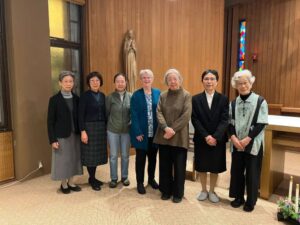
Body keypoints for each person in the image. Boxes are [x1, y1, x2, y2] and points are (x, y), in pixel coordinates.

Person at [228, 69, 268, 212]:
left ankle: (250, 201)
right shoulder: (233, 103)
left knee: (252, 172)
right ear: (236, 85)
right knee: (237, 171)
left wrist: (247, 139)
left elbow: (261, 123)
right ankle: (238, 197)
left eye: (245, 83)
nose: (243, 86)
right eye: (239, 84)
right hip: (236, 143)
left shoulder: (260, 101)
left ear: (251, 83)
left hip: (253, 143)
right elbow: (229, 123)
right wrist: (233, 138)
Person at [154, 68, 192, 203]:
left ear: (180, 80)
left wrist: (172, 130)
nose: (172, 81)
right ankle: (166, 190)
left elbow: (186, 115)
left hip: (179, 137)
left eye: (175, 79)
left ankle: (178, 193)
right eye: (169, 79)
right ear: (166, 82)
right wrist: (165, 128)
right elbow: (158, 112)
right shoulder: (163, 95)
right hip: (164, 137)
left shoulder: (186, 95)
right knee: (164, 166)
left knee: (179, 167)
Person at [192, 69, 229, 203]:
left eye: (212, 79)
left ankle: (212, 190)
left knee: (215, 166)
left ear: (217, 81)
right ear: (202, 81)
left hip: (217, 139)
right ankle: (203, 190)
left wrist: (215, 136)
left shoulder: (223, 98)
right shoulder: (195, 99)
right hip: (202, 138)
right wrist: (206, 136)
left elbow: (225, 120)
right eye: (206, 79)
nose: (209, 81)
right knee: (202, 165)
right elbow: (195, 119)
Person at [47, 71, 83, 194]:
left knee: (74, 159)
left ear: (73, 83)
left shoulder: (77, 99)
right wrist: (52, 139)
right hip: (61, 135)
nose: (68, 84)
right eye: (66, 81)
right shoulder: (54, 100)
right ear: (60, 83)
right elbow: (50, 121)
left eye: (71, 81)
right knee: (63, 160)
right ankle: (63, 184)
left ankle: (71, 182)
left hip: (75, 134)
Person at [130, 69, 161, 195]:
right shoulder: (136, 95)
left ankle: (151, 179)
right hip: (141, 134)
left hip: (154, 134)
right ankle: (139, 182)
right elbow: (134, 115)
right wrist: (137, 132)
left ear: (152, 79)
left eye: (149, 77)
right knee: (140, 160)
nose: (146, 80)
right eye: (144, 78)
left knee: (153, 159)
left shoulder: (158, 93)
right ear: (141, 80)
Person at [79, 71, 107, 191]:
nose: (95, 83)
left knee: (97, 155)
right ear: (88, 83)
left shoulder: (103, 96)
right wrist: (83, 131)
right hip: (89, 128)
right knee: (90, 155)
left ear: (100, 82)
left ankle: (93, 178)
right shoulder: (85, 96)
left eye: (97, 80)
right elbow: (80, 115)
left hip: (100, 128)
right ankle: (92, 178)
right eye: (92, 81)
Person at [106, 73, 132, 188]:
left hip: (126, 131)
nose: (120, 84)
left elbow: (133, 113)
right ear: (114, 83)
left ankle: (124, 177)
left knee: (126, 155)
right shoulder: (110, 97)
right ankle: (113, 178)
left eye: (122, 81)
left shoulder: (131, 96)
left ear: (126, 83)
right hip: (112, 130)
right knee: (113, 155)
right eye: (118, 81)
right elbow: (106, 114)